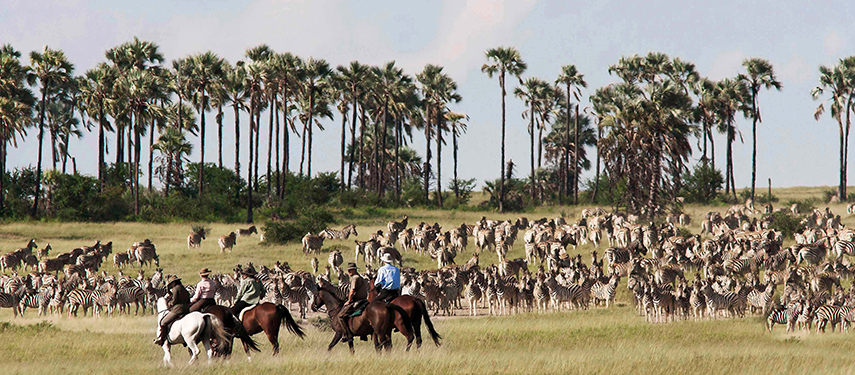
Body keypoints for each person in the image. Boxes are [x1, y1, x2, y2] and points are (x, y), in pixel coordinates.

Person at [337, 262, 369, 343]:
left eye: (351, 270)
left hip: (357, 300)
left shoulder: (355, 278)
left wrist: (349, 300)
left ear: (354, 270)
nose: (349, 272)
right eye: (349, 270)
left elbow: (352, 290)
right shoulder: (360, 277)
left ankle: (347, 334)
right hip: (364, 300)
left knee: (341, 316)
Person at [154, 275, 190, 346]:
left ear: (174, 283)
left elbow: (174, 300)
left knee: (163, 322)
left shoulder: (175, 289)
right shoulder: (183, 288)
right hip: (186, 308)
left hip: (178, 309)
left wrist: (170, 303)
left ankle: (162, 338)